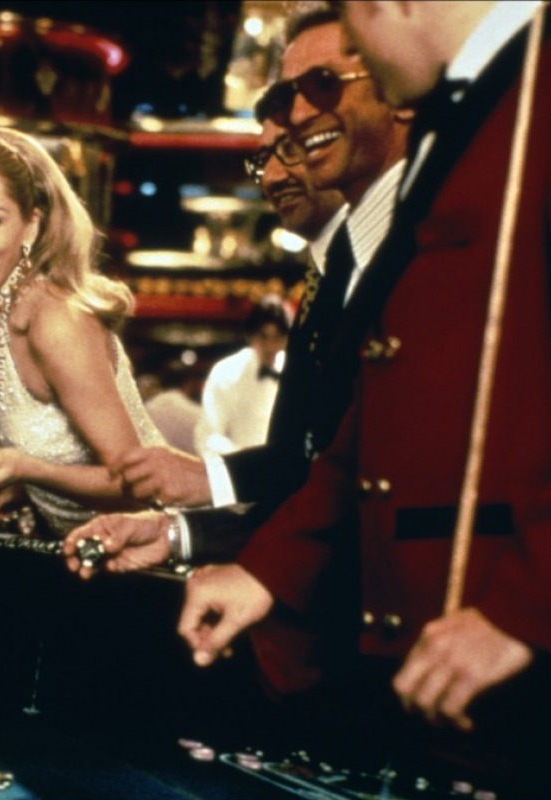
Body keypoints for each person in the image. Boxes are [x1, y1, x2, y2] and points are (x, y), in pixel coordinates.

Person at [179, 1, 551, 794]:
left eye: (351, 23)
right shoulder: (468, 110)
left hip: (549, 680)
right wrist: (271, 570)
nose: (356, 49)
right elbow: (387, 399)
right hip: (433, 673)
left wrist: (531, 610)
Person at [69, 7, 407, 564]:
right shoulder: (333, 269)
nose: (272, 176)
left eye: (289, 147)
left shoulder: (412, 246)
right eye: (263, 159)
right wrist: (184, 527)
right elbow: (308, 474)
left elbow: (340, 481)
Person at [0, 127, 163, 535]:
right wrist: (29, 490)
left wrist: (32, 472)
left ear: (32, 227)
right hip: (82, 553)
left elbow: (140, 488)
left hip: (158, 554)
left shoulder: (56, 323)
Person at [194, 297, 290, 458]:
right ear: (250, 336)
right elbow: (208, 436)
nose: (270, 346)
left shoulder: (295, 371)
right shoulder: (226, 372)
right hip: (239, 466)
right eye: (263, 337)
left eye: (277, 338)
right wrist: (243, 460)